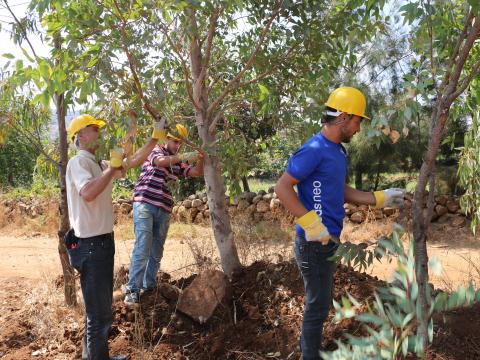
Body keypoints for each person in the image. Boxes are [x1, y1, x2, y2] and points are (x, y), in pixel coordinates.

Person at [274, 87, 405, 360]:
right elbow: (282, 187)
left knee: (320, 303)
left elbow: (340, 189)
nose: (358, 128)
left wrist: (378, 198)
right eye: (358, 120)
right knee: (317, 306)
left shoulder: (337, 152)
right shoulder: (313, 149)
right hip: (312, 243)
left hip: (328, 239)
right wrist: (311, 223)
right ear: (344, 117)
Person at [65, 114, 166, 360]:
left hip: (100, 243)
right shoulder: (78, 163)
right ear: (81, 135)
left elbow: (130, 161)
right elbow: (88, 192)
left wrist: (153, 137)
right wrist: (111, 167)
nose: (98, 134)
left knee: (97, 312)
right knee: (99, 316)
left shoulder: (97, 165)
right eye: (93, 129)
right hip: (91, 245)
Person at [123, 124, 204, 305]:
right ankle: (132, 290)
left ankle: (149, 286)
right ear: (166, 139)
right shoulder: (155, 151)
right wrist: (185, 156)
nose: (177, 145)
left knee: (156, 251)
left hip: (164, 210)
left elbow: (197, 172)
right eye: (174, 141)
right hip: (144, 203)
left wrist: (201, 157)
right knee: (143, 246)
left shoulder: (177, 164)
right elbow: (160, 162)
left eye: (180, 143)